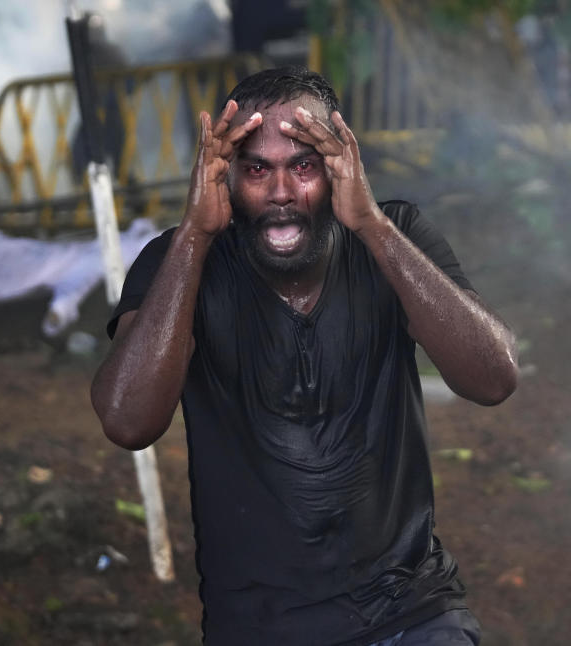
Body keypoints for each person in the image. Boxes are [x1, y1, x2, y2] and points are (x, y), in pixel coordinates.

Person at [90, 66, 517, 646]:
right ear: (225, 177)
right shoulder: (179, 261)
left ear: (340, 165)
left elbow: (493, 379)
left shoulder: (395, 234)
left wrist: (372, 225)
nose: (282, 193)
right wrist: (193, 234)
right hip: (260, 628)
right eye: (257, 169)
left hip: (410, 608)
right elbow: (127, 422)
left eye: (304, 166)